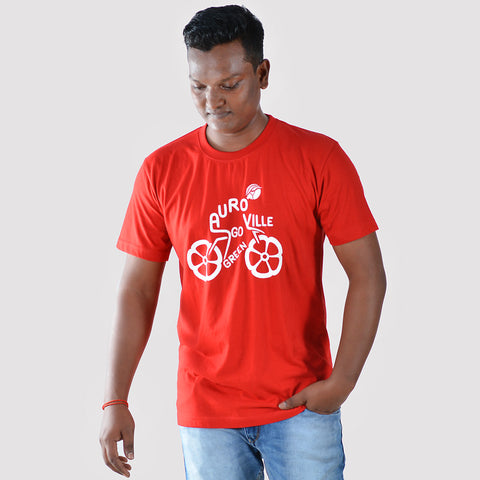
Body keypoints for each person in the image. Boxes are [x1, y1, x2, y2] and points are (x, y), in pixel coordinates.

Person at [99, 5, 386, 480]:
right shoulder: (161, 170)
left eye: (229, 85)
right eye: (198, 86)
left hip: (301, 404)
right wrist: (115, 399)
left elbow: (368, 274)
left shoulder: (319, 158)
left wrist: (343, 382)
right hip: (207, 412)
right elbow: (136, 290)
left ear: (262, 74)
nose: (212, 101)